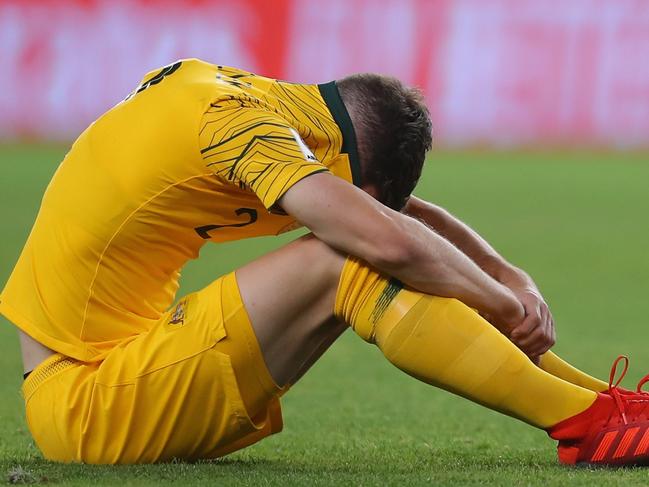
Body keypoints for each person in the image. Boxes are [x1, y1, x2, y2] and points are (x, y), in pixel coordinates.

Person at [1, 58, 647, 466]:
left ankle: (600, 403)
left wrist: (511, 277)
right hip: (89, 400)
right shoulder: (238, 128)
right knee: (343, 258)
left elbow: (407, 217)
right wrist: (500, 302)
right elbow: (389, 240)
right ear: (357, 175)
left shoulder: (253, 107)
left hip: (115, 372)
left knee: (359, 242)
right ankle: (583, 423)